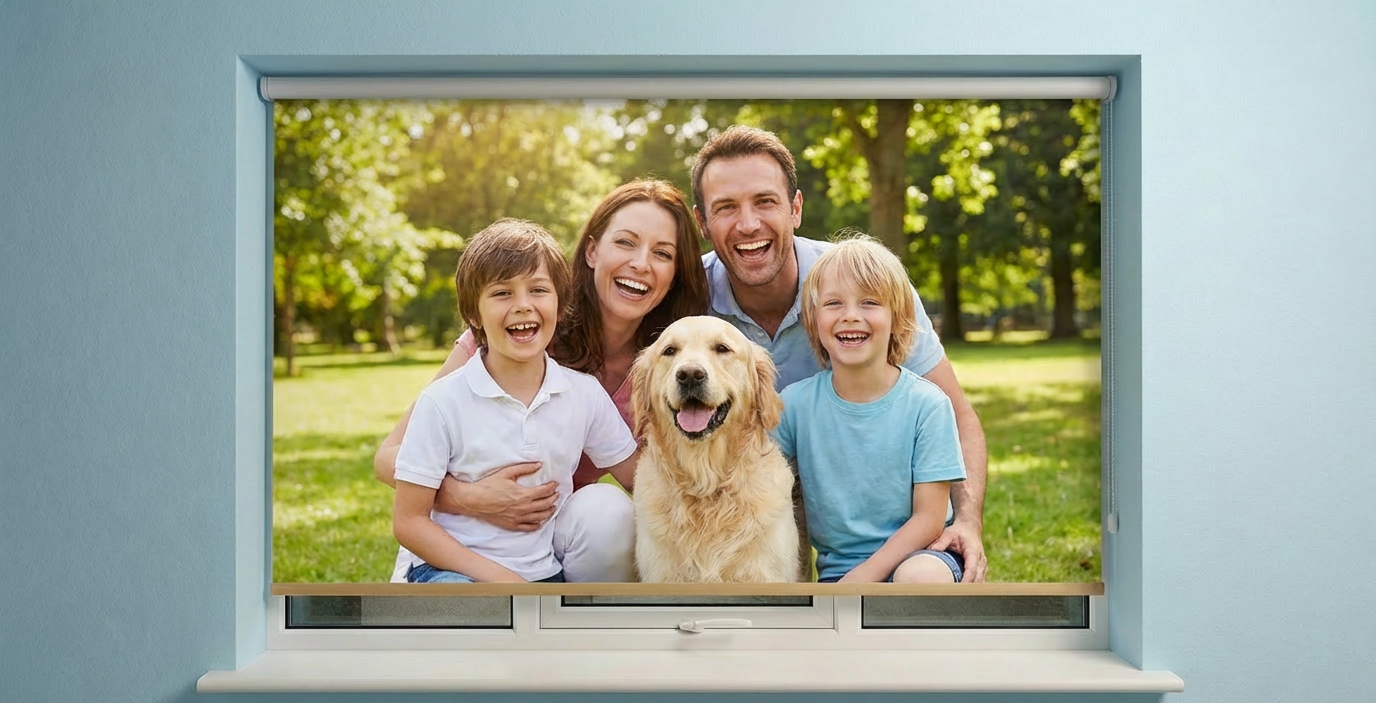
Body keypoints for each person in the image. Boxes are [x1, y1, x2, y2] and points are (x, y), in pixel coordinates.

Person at [689, 125, 990, 582]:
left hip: (900, 539)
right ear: (702, 223)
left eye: (765, 202)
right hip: (771, 507)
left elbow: (960, 417)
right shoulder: (686, 302)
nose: (748, 224)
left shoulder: (859, 284)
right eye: (726, 208)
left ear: (796, 208)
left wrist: (967, 520)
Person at [374, 180, 710, 581]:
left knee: (609, 512)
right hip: (464, 543)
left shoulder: (669, 361)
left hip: (552, 536)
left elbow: (644, 479)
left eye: (662, 253)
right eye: (625, 242)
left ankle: (578, 624)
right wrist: (471, 497)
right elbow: (389, 458)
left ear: (675, 272)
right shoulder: (492, 345)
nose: (641, 263)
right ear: (591, 251)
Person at [392, 218, 640, 583]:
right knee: (473, 612)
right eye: (502, 293)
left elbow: (640, 479)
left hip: (544, 573)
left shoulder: (583, 394)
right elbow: (409, 521)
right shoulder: (442, 401)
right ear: (474, 314)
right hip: (453, 572)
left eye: (538, 290)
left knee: (610, 510)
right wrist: (504, 583)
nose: (523, 305)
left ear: (560, 304)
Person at [775, 236, 967, 583]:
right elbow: (768, 492)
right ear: (813, 320)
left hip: (924, 557)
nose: (850, 317)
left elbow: (929, 520)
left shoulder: (928, 404)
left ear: (898, 317)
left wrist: (861, 581)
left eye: (869, 303)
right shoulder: (794, 405)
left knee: (917, 578)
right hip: (838, 573)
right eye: (833, 303)